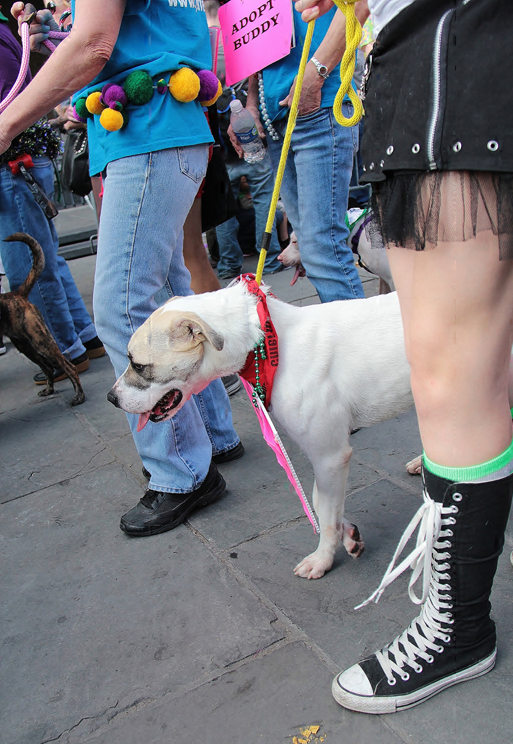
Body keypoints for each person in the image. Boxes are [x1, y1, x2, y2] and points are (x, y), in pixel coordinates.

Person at [293, 0, 513, 713]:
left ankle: (456, 632)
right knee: (483, 362)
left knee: (455, 374)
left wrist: (326, 49)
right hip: (472, 60)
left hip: (460, 60)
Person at [0, 0, 244, 536]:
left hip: (148, 135)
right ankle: (215, 435)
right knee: (167, 299)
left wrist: (6, 123)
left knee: (123, 309)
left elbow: (95, 44)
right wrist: (56, 32)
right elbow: (118, 32)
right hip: (164, 130)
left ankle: (182, 471)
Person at [0, 12, 104, 380]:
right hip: (22, 159)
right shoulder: (6, 32)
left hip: (13, 161)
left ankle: (63, 353)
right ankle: (83, 340)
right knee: (44, 259)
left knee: (28, 268)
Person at [243, 5, 368, 303]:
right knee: (315, 250)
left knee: (323, 249)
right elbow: (249, 26)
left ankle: (357, 346)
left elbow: (358, 5)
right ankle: (350, 342)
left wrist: (317, 72)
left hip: (319, 98)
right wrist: (251, 99)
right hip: (279, 110)